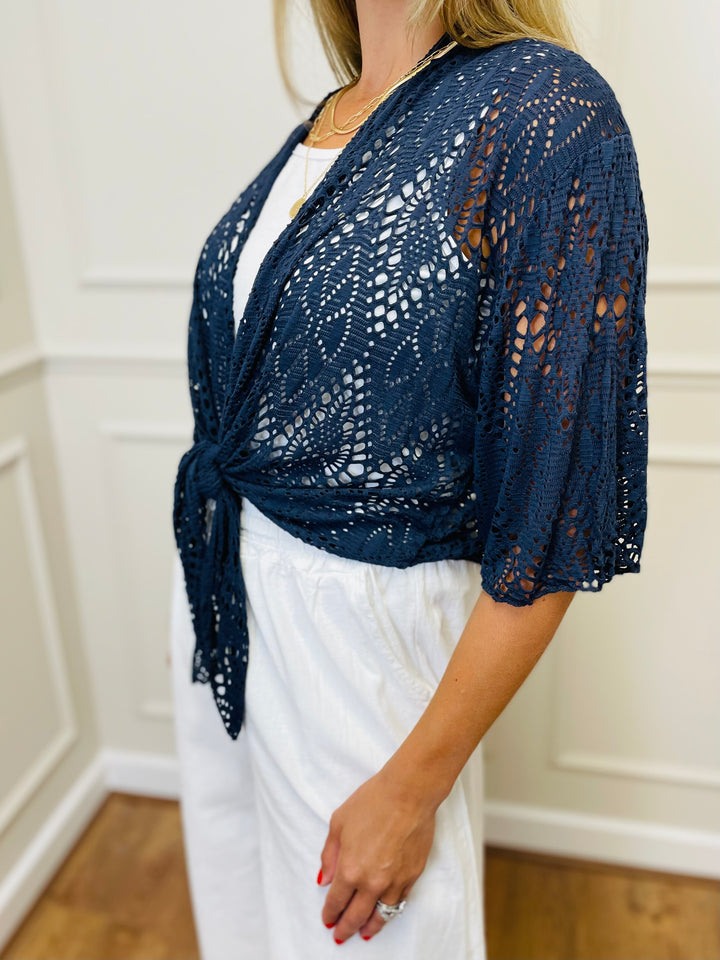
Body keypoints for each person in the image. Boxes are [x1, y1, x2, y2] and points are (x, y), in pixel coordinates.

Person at [169, 1, 649, 957]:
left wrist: (414, 785)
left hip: (358, 638)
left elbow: (550, 516)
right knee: (245, 918)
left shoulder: (545, 107)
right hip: (223, 591)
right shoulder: (334, 114)